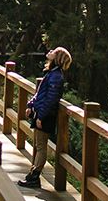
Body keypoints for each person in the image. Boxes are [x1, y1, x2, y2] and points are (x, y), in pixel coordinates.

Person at [17, 46, 72, 189]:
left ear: (58, 57)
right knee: (38, 144)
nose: (50, 51)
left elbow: (51, 99)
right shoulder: (51, 73)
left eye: (54, 51)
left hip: (45, 115)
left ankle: (34, 176)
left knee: (41, 146)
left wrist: (41, 116)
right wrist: (31, 104)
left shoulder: (56, 76)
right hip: (40, 113)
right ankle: (33, 175)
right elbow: (40, 93)